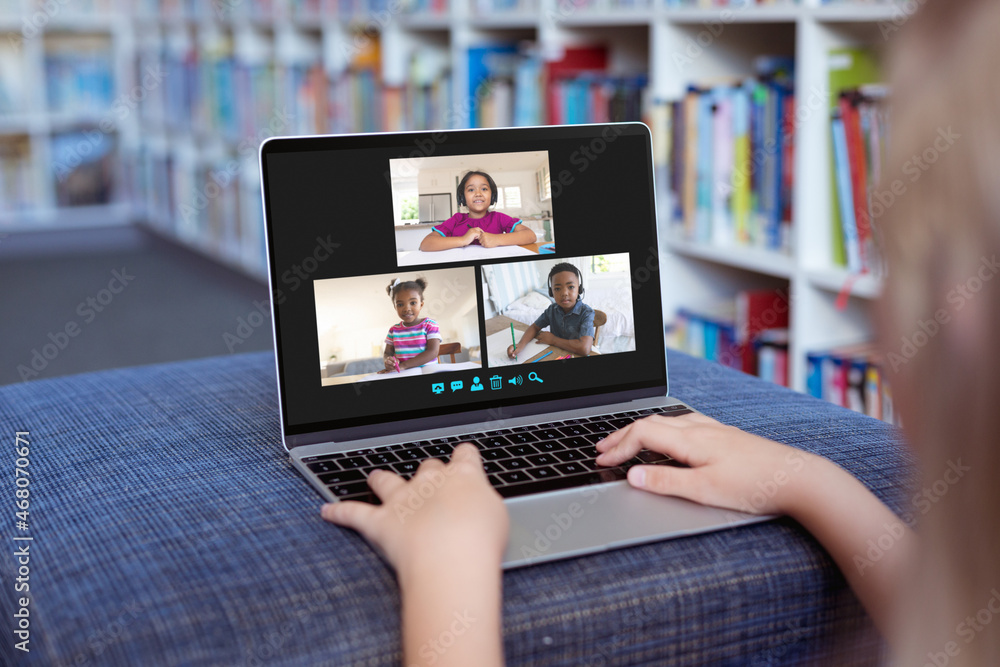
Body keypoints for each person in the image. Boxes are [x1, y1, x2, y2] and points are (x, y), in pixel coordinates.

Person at [323, 1, 1000, 664]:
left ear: (958, 315)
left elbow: (560, 308)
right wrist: (811, 480)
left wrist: (447, 568)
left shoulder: (536, 261)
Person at [418, 170, 537, 251]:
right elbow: (426, 244)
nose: (478, 194)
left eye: (484, 189)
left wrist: (497, 239)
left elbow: (530, 236)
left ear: (492, 195)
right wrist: (463, 240)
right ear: (462, 197)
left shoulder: (499, 218)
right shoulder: (456, 220)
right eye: (471, 190)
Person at [508, 262, 595, 360]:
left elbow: (584, 348)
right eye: (557, 288)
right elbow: (534, 327)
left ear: (579, 289)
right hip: (556, 353)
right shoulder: (552, 310)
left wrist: (553, 340)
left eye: (570, 287)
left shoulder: (586, 313)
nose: (564, 293)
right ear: (551, 292)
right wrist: (520, 346)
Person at [380, 278, 441, 374]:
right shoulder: (393, 330)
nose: (407, 308)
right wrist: (388, 361)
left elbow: (433, 352)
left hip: (429, 370)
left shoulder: (430, 324)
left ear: (421, 305)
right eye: (400, 304)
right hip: (404, 373)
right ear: (395, 307)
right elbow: (388, 352)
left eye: (413, 303)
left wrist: (404, 365)